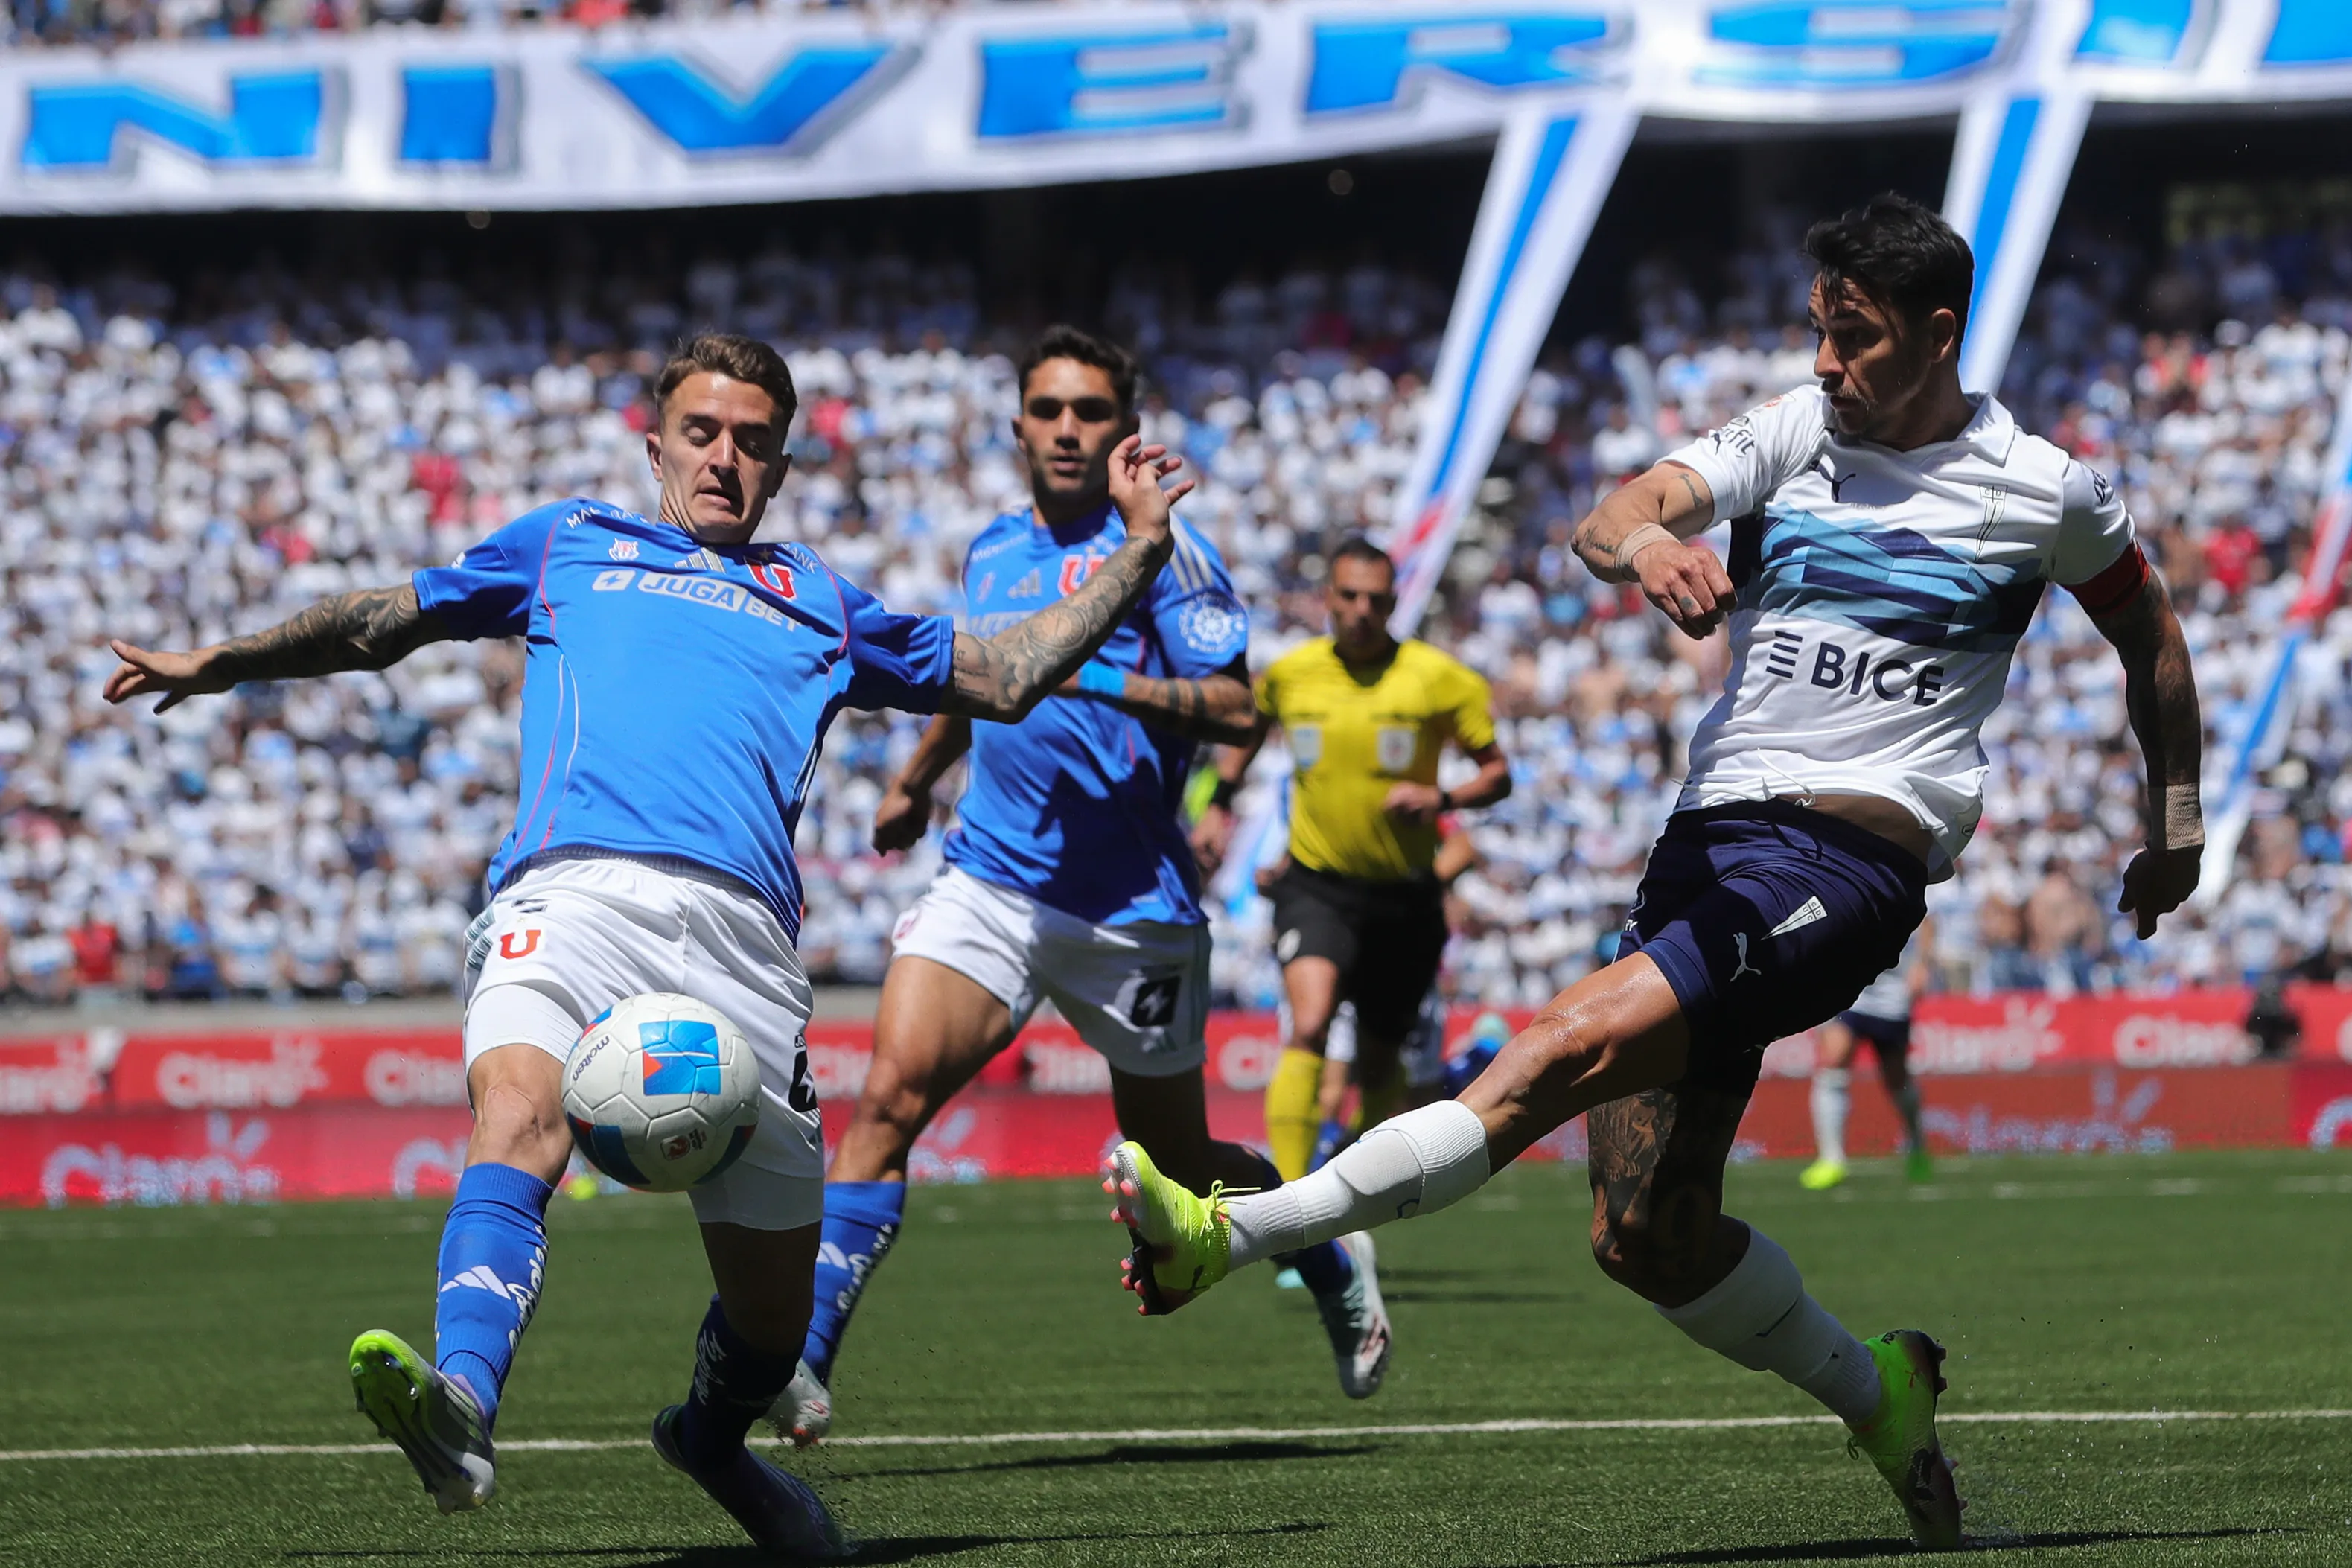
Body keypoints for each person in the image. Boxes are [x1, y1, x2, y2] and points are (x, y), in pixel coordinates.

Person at [1110, 195, 2205, 1552]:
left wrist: (2174, 825)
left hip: (1844, 860)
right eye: (1815, 332)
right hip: (1704, 847)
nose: (1823, 364)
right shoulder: (1792, 435)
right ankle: (1880, 1394)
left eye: (1854, 338)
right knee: (1644, 1236)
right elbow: (1614, 512)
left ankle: (1230, 1233)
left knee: (1553, 1048)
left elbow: (2151, 640)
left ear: (1936, 334)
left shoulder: (2042, 489)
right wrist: (1647, 546)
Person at [104, 333, 1190, 1558]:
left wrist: (1142, 546)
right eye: (700, 433)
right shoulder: (566, 544)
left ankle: (710, 1439)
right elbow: (382, 620)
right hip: (567, 899)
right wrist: (227, 660)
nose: (724, 458)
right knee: (518, 1117)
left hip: (742, 951)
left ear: (781, 466)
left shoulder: (823, 602)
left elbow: (1007, 673)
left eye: (752, 442)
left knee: (771, 1325)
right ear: (655, 443)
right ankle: (461, 1401)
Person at [781, 327, 1388, 1447]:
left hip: (1130, 911)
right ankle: (804, 1364)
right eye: (1049, 410)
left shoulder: (1168, 553)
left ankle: (1325, 1249)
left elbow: (1237, 708)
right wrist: (917, 779)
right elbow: (983, 682)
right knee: (888, 1100)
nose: (1067, 430)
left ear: (1125, 430)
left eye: (1091, 412)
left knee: (1184, 1171)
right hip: (992, 882)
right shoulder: (992, 549)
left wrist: (1103, 674)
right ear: (1018, 427)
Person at [1191, 538, 1511, 1190]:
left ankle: (1340, 1178)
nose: (1362, 609)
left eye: (1376, 599)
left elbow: (1497, 774)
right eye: (1349, 596)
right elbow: (1246, 732)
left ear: (1393, 603)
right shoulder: (1290, 675)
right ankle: (1283, 1205)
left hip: (1404, 897)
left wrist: (1442, 798)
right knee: (1308, 1025)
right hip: (1316, 885)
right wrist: (1219, 804)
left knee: (1379, 1065)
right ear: (1327, 599)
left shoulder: (1440, 679)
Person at [1802, 919, 1934, 1190]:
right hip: (1850, 986)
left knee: (1897, 1078)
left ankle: (1916, 1143)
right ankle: (1832, 1159)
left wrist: (1922, 964)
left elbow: (1929, 920)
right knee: (1834, 1061)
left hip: (1892, 991)